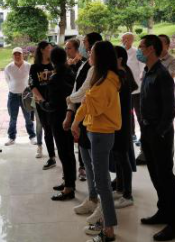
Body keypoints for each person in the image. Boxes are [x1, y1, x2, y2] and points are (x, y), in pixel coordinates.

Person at [72, 40, 122, 242]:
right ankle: (105, 223)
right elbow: (87, 104)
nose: (88, 54)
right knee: (101, 180)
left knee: (102, 182)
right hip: (95, 131)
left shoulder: (107, 81)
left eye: (91, 51)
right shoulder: (100, 77)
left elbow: (91, 105)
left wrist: (80, 107)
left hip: (102, 134)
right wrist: (76, 121)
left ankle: (108, 230)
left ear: (99, 56)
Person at [138, 35, 175, 241]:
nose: (139, 50)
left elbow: (170, 110)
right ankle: (163, 211)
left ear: (150, 49)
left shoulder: (162, 75)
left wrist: (159, 133)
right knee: (156, 175)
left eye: (141, 47)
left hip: (159, 133)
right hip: (147, 131)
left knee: (165, 177)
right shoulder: (148, 71)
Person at [66, 32, 103, 223]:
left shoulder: (99, 70)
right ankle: (92, 197)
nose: (83, 46)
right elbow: (78, 89)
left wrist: (69, 100)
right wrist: (72, 111)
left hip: (95, 123)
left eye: (85, 43)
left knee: (98, 167)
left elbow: (83, 93)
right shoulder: (86, 65)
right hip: (84, 118)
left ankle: (102, 207)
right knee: (87, 161)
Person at [46, 46, 77, 201]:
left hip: (59, 119)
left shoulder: (55, 78)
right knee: (69, 152)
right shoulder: (70, 73)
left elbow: (52, 104)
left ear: (52, 60)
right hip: (70, 115)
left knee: (64, 153)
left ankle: (68, 188)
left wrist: (41, 103)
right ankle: (69, 182)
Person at [112, 46, 138, 209]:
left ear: (119, 59)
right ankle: (120, 188)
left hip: (122, 122)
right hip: (118, 120)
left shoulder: (122, 74)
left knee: (122, 157)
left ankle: (127, 194)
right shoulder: (122, 72)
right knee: (118, 156)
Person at [30, 41, 57, 169]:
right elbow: (32, 85)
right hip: (42, 104)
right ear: (42, 50)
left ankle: (62, 154)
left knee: (58, 129)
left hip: (55, 102)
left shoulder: (55, 65)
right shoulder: (35, 67)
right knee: (47, 130)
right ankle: (52, 157)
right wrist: (42, 101)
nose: (51, 50)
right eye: (48, 48)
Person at [4, 47, 36, 146]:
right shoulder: (8, 67)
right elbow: (8, 80)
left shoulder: (28, 66)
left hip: (26, 95)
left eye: (19, 54)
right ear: (12, 56)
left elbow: (32, 79)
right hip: (13, 96)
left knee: (28, 117)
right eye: (15, 54)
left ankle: (32, 136)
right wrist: (14, 87)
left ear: (23, 55)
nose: (17, 56)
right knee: (13, 118)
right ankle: (11, 137)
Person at [65, 38, 87, 181]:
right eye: (66, 48)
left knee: (81, 135)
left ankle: (82, 166)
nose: (67, 51)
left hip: (79, 104)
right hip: (68, 104)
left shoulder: (84, 63)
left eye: (69, 48)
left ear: (77, 49)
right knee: (70, 136)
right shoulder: (65, 64)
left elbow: (81, 86)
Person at [121, 32, 145, 154]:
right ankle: (131, 134)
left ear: (131, 40)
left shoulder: (137, 53)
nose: (124, 41)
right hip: (125, 90)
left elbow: (142, 68)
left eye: (126, 39)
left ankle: (143, 136)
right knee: (127, 114)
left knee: (139, 113)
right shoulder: (120, 53)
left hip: (137, 89)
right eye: (123, 39)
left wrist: (141, 78)